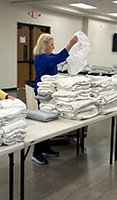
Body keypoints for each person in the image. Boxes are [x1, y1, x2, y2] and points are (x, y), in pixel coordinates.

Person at [26, 34, 75, 164]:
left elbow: (58, 57)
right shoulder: (40, 58)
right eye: (51, 44)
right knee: (44, 123)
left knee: (51, 121)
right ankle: (36, 153)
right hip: (43, 93)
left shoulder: (48, 57)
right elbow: (58, 59)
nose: (53, 47)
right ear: (44, 45)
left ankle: (46, 148)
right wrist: (71, 43)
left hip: (51, 93)